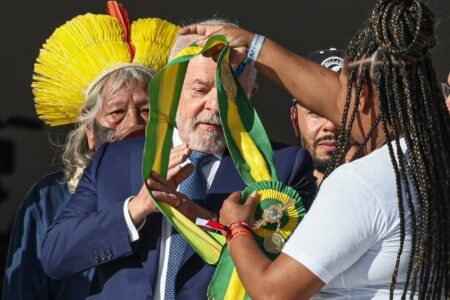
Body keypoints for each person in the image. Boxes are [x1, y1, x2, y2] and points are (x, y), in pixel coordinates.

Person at [179, 0, 450, 298]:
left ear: (359, 96)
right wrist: (254, 44)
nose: (333, 100)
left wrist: (238, 228)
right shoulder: (433, 160)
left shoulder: (364, 182)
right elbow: (328, 94)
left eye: (343, 85)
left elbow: (273, 292)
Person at [40, 19, 317, 300]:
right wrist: (137, 207)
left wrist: (215, 224)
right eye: (200, 89)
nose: (214, 105)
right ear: (171, 86)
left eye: (230, 92)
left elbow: (292, 278)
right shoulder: (116, 158)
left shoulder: (282, 168)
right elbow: (55, 254)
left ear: (250, 94)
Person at [2, 6, 179, 299]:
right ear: (91, 133)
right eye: (117, 112)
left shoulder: (184, 191)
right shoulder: (48, 202)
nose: (134, 123)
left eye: (147, 111)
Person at [291, 48, 359, 185]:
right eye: (316, 112)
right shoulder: (269, 196)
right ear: (295, 119)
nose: (331, 125)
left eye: (344, 112)